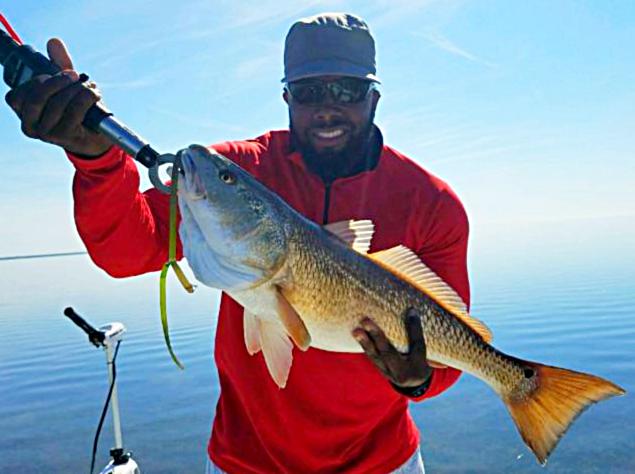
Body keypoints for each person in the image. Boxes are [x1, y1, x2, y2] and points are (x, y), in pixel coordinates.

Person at [6, 13, 470, 474]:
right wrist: (98, 159)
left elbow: (455, 350)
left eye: (346, 91)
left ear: (374, 98)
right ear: (286, 97)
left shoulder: (432, 204)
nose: (327, 109)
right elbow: (127, 250)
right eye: (308, 92)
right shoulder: (234, 174)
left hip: (382, 463)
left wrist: (418, 381)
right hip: (245, 461)